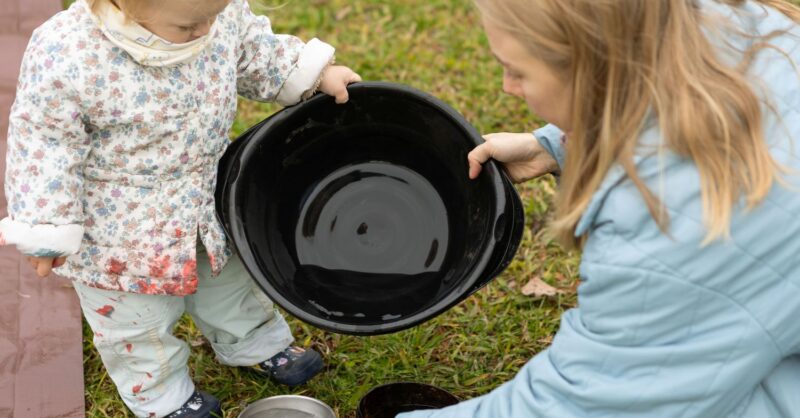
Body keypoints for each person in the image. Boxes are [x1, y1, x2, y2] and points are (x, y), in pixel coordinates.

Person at [400, 0, 800, 417]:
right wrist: (555, 147)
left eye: (517, 70)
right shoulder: (744, 23)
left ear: (591, 65)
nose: (507, 86)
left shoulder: (673, 226)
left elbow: (580, 405)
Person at [0, 0, 360, 416]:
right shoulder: (69, 51)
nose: (206, 30)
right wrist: (46, 224)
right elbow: (45, 142)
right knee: (139, 322)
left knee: (229, 280)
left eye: (214, 16)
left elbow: (254, 50)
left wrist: (313, 74)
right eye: (190, 25)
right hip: (120, 233)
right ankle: (159, 392)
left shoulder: (213, 17)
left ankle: (253, 341)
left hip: (202, 200)